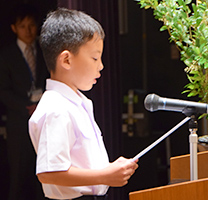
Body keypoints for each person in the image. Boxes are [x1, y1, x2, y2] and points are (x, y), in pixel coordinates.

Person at [28, 8, 138, 200]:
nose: (101, 66)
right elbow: (49, 172)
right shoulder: (56, 108)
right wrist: (106, 175)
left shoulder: (76, 102)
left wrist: (109, 171)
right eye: (95, 58)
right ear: (66, 60)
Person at [0, 4, 49, 200]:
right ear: (14, 28)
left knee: (43, 174)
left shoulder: (44, 52)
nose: (28, 30)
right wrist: (27, 107)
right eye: (22, 26)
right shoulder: (5, 56)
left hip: (44, 120)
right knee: (18, 175)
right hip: (18, 122)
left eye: (31, 25)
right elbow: (2, 90)